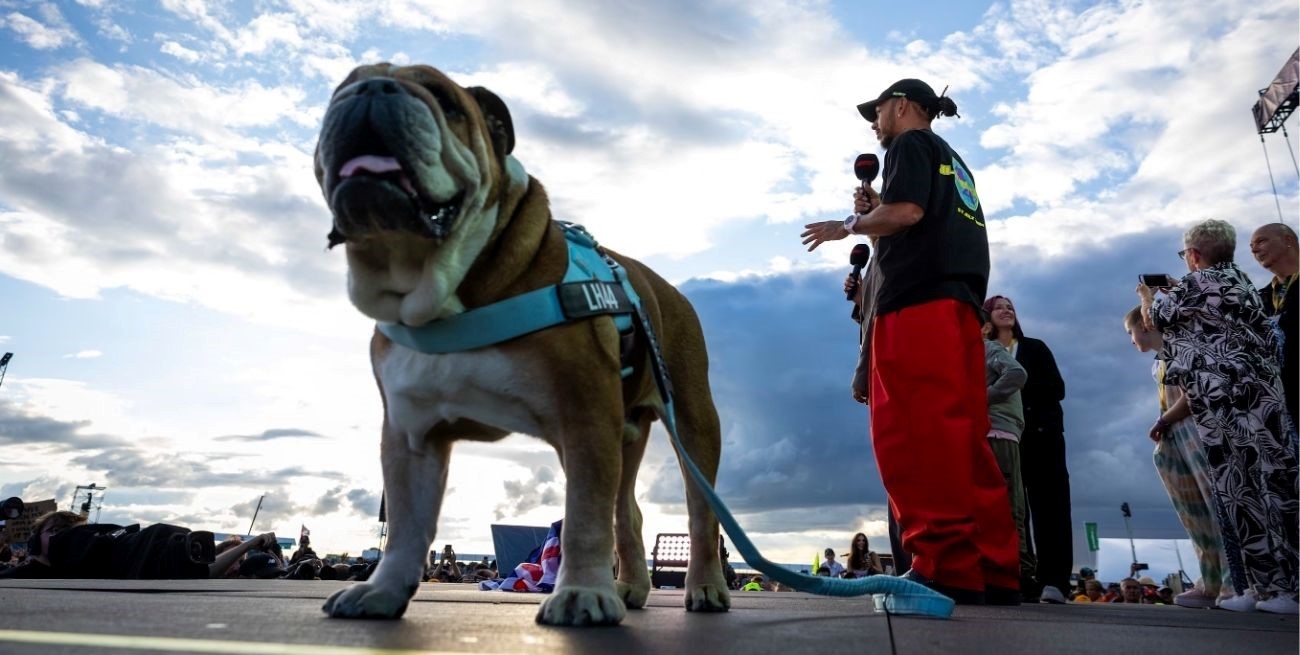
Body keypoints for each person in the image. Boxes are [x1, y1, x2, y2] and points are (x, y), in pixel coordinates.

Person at [801, 78, 1019, 605]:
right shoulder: (951, 159)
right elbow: (910, 218)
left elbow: (909, 214)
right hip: (958, 309)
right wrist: (877, 212)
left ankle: (942, 565)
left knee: (915, 435)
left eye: (876, 114)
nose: (874, 126)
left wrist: (848, 224)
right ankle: (992, 569)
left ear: (899, 107)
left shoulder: (909, 145)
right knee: (964, 438)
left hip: (917, 307)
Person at [1137, 218, 1299, 614]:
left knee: (1243, 493)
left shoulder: (1195, 284)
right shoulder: (1243, 282)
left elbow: (1153, 319)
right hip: (1264, 400)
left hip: (1225, 405)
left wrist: (1147, 295)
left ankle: (1279, 589)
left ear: (1193, 255)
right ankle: (1270, 589)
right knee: (1275, 485)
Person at [1122, 305, 1238, 608]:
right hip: (1176, 437)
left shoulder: (1180, 350)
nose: (1131, 340)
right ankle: (1210, 579)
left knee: (1216, 505)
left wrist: (1163, 421)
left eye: (1130, 333)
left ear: (1144, 327)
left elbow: (1193, 394)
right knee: (1193, 512)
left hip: (1197, 431)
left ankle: (1233, 581)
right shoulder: (1158, 364)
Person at [984, 294, 1073, 604]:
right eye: (998, 307)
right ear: (986, 316)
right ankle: (1022, 574)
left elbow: (1057, 388)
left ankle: (1056, 580)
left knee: (1050, 504)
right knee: (1012, 509)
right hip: (1003, 435)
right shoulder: (983, 351)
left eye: (1010, 307)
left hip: (1041, 434)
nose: (1006, 311)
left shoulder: (1034, 347)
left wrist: (1011, 385)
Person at [980, 308, 1034, 599]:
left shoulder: (989, 348)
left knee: (1009, 503)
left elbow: (1017, 373)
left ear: (983, 328)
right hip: (983, 433)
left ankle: (1018, 572)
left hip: (1000, 432)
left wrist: (982, 397)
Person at [1250, 222, 1298, 424]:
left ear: (1288, 240)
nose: (1254, 249)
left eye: (1261, 241)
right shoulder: (1260, 299)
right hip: (1288, 406)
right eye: (1251, 246)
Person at [0, 510, 86, 579]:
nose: (65, 535)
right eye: (55, 530)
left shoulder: (87, 575)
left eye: (74, 531)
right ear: (36, 540)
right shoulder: (11, 578)